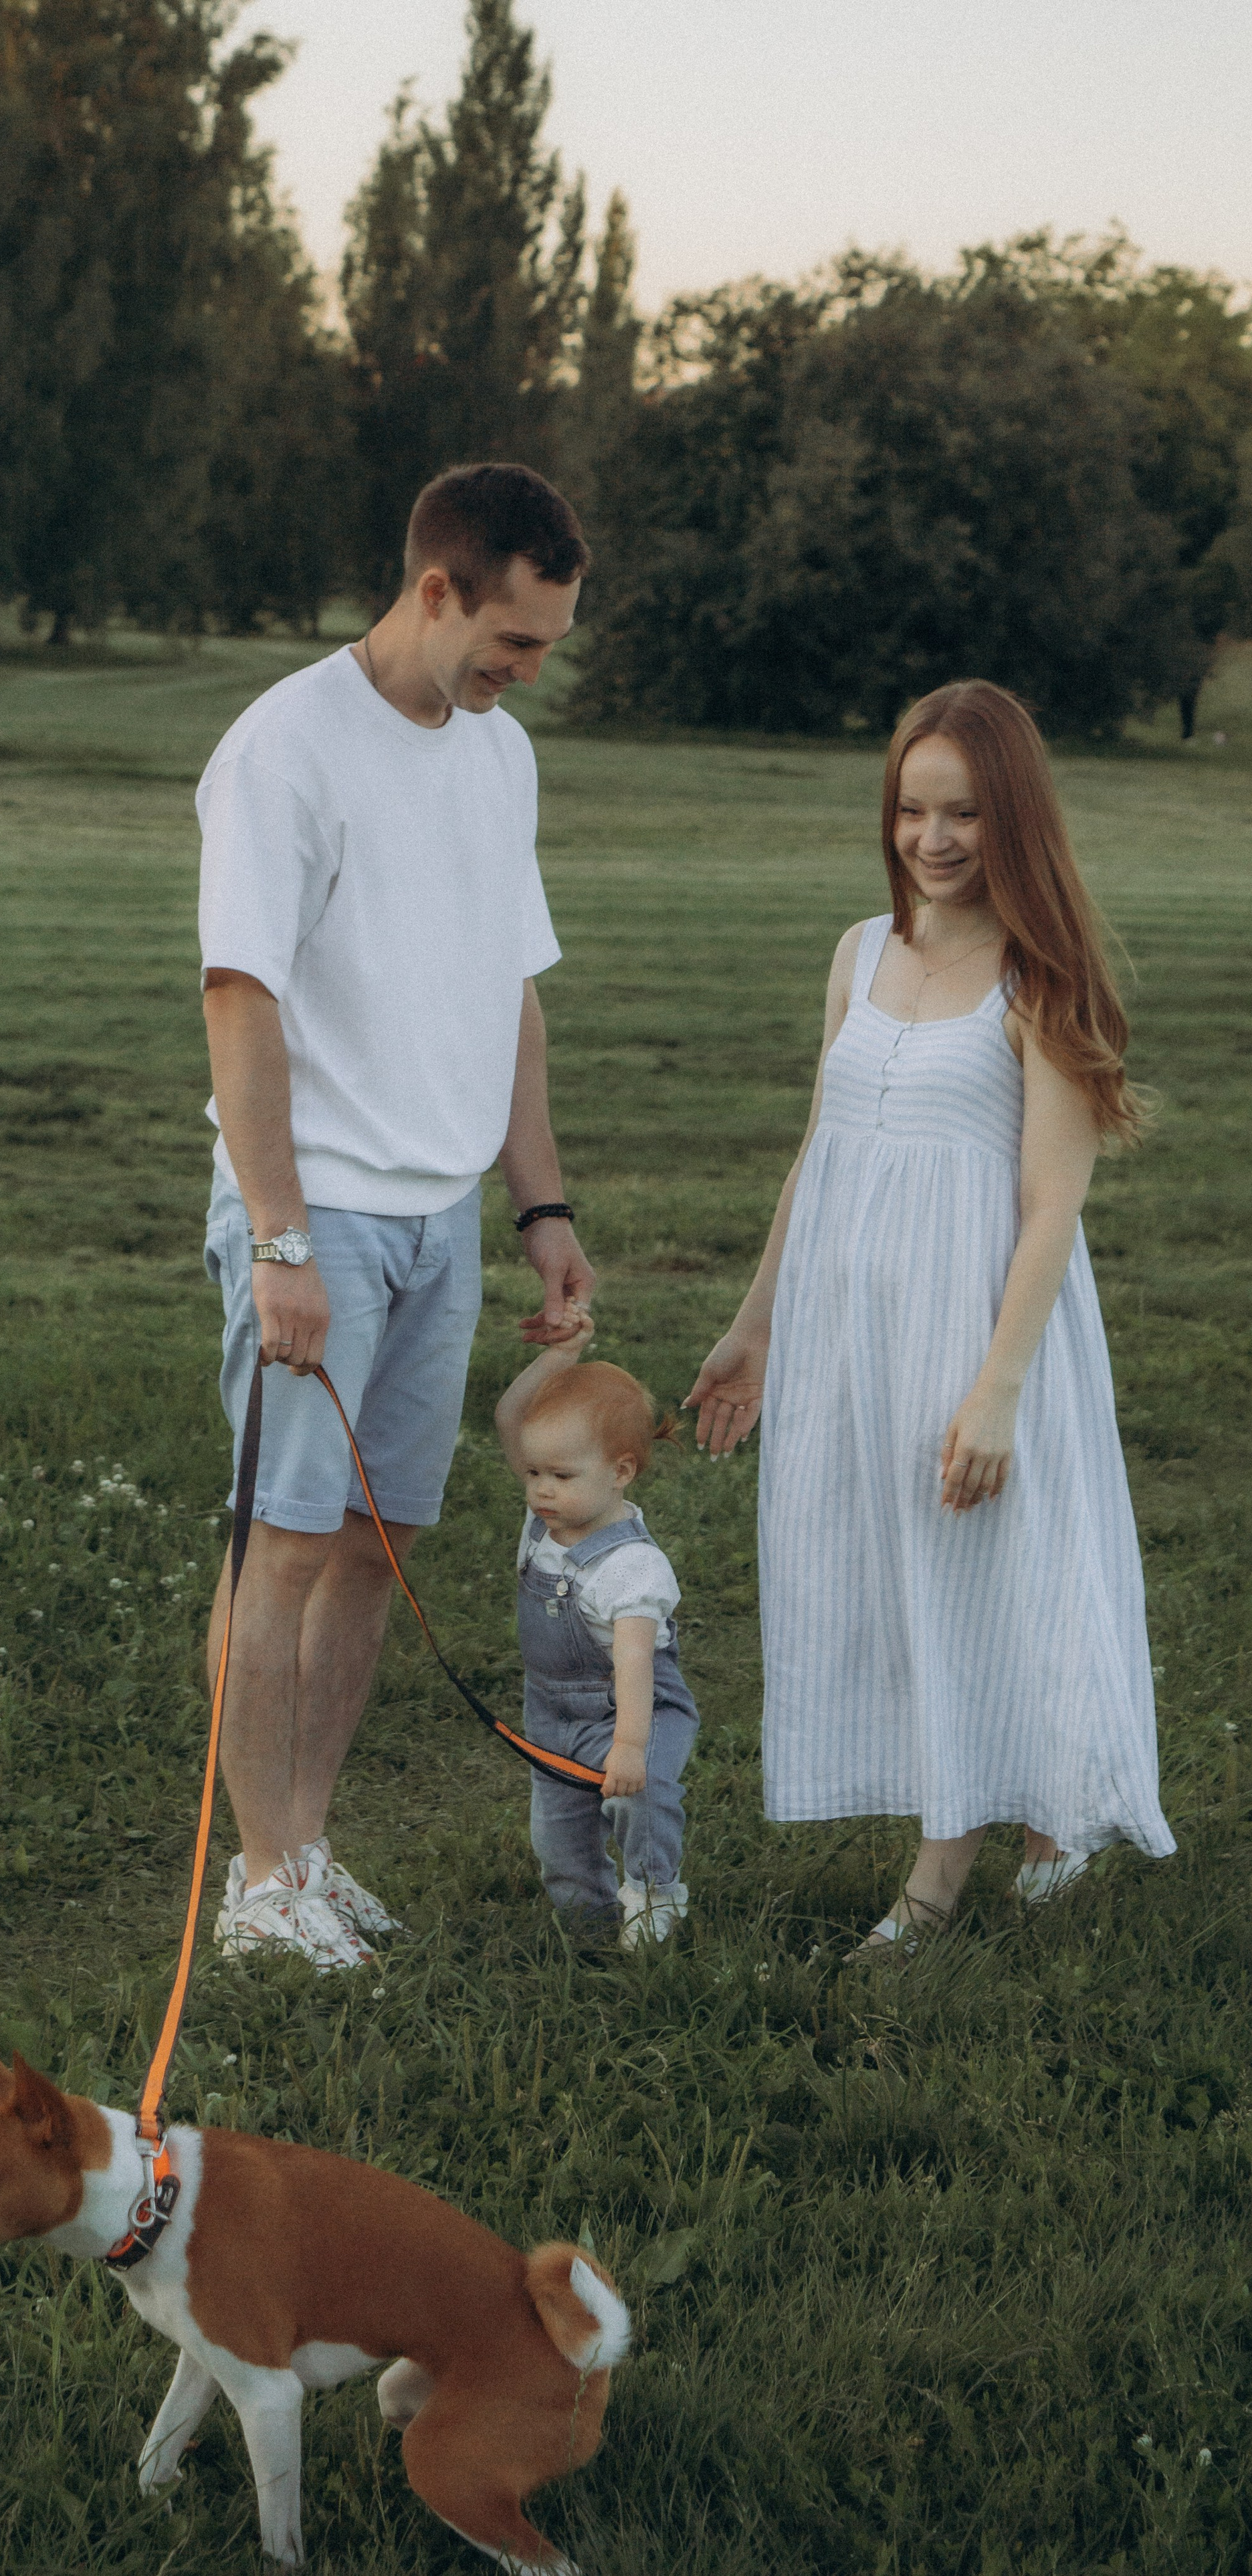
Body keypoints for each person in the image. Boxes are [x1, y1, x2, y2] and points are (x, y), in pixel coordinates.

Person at [686, 679, 1174, 1954]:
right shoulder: (861, 951)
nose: (934, 838)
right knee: (902, 1571)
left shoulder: (1038, 976)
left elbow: (1052, 1202)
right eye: (913, 809)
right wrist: (756, 1325)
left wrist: (999, 1387)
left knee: (989, 1569)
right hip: (856, 1327)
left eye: (962, 812)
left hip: (981, 1319)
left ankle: (944, 1875)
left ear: (1011, 816)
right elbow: (823, 1150)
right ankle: (1032, 1805)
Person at [197, 463, 596, 1969]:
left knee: (377, 1538)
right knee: (281, 1544)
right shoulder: (282, 750)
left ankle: (306, 1846)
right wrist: (281, 1235)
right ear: (436, 588)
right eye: (513, 639)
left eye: (544, 644)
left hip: (438, 1215)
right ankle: (255, 1879)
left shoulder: (498, 758)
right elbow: (239, 1000)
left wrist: (538, 1204)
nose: (524, 671)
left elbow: (510, 999)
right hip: (323, 1217)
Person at [494, 1307, 699, 1947]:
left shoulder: (632, 1568)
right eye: (533, 1473)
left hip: (632, 1712)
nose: (541, 1491)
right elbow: (511, 1418)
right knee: (557, 1835)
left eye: (560, 1476)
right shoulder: (547, 1524)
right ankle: (589, 1931)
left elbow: (635, 1661)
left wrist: (630, 1747)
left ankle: (652, 1896)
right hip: (553, 1714)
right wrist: (559, 1358)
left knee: (641, 1801)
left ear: (622, 1471)